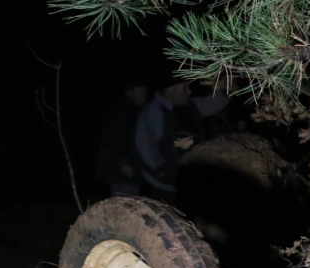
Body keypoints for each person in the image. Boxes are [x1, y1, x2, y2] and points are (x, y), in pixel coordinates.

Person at [134, 71, 230, 204]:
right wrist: (164, 172)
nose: (189, 92)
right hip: (163, 187)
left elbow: (212, 105)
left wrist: (226, 90)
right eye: (185, 88)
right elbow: (145, 147)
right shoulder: (153, 112)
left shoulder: (190, 105)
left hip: (188, 181)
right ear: (169, 92)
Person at [97, 79, 150, 196]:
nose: (144, 94)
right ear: (129, 92)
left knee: (132, 205)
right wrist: (123, 163)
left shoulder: (137, 111)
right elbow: (114, 137)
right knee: (123, 206)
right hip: (123, 171)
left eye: (145, 90)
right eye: (140, 90)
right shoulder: (121, 109)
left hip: (134, 170)